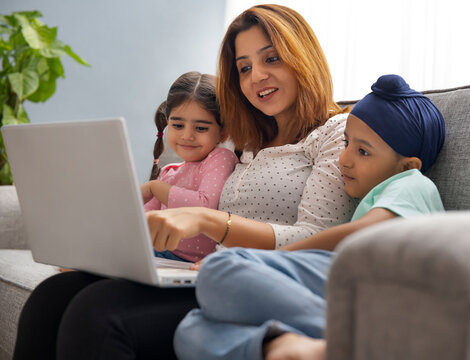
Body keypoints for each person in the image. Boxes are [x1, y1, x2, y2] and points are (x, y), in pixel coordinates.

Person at [13, 5, 356, 359]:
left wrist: (207, 220)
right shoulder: (248, 143)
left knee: (96, 313)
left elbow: (318, 236)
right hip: (206, 275)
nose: (257, 76)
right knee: (50, 297)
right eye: (245, 68)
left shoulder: (339, 132)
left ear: (302, 56)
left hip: (261, 285)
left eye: (272, 59)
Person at [174, 74, 446, 360]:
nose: (344, 158)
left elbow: (363, 234)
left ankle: (358, 342)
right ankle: (286, 348)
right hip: (346, 290)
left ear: (407, 165)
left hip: (375, 288)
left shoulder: (412, 183)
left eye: (363, 151)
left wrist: (276, 258)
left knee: (221, 269)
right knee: (190, 328)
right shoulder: (373, 194)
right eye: (346, 143)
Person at [141, 72, 238, 262]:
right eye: (178, 125)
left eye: (201, 128)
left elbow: (205, 205)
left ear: (224, 133)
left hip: (185, 261)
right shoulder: (169, 172)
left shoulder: (220, 158)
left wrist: (155, 187)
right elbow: (145, 220)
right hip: (157, 256)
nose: (187, 136)